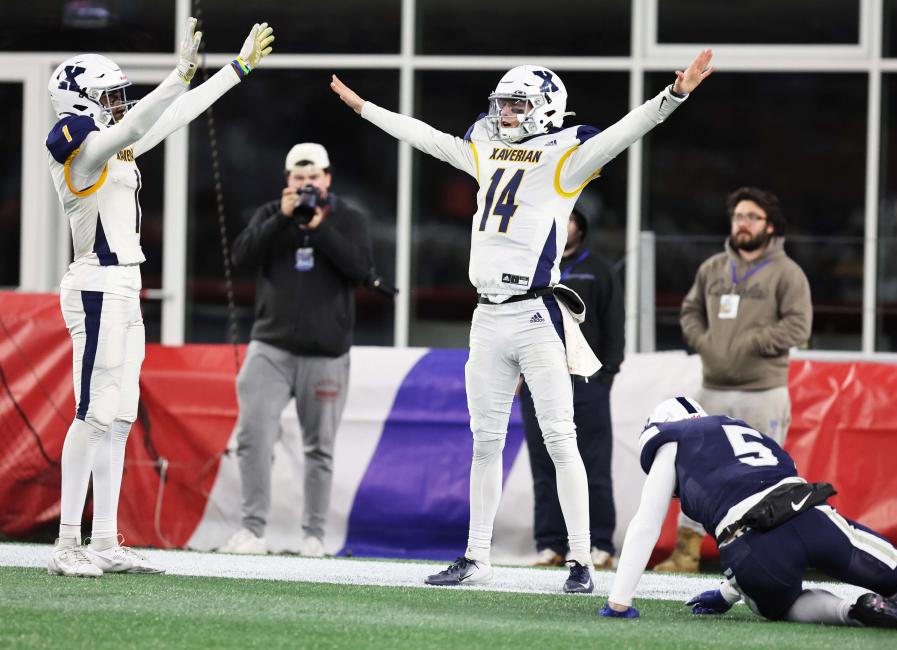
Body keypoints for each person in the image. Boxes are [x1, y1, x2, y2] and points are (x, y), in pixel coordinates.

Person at [330, 49, 714, 592]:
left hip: (536, 313)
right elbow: (427, 137)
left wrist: (672, 96)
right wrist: (366, 108)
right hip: (486, 316)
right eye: (503, 102)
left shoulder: (566, 154)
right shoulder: (486, 148)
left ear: (545, 107)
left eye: (517, 103)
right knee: (484, 442)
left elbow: (625, 132)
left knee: (561, 438)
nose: (505, 112)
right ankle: (476, 556)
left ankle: (580, 559)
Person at [45, 17, 275, 577]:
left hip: (125, 283)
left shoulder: (112, 145)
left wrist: (234, 71)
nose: (121, 104)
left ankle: (103, 540)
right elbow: (134, 126)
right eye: (110, 96)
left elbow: (173, 115)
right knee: (93, 411)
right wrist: (174, 75)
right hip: (96, 282)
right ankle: (66, 542)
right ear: (79, 101)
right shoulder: (81, 152)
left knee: (120, 416)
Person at [599, 396, 897, 632]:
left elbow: (647, 521)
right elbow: (769, 504)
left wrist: (619, 602)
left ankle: (851, 611)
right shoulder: (744, 430)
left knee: (783, 605)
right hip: (809, 515)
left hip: (752, 551)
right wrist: (726, 594)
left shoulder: (672, 439)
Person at [218, 142, 374, 557]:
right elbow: (241, 257)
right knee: (253, 437)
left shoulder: (349, 218)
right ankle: (252, 530)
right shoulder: (272, 214)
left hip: (326, 351)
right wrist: (284, 219)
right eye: (299, 179)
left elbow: (361, 270)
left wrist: (319, 229)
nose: (307, 185)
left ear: (327, 178)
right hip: (270, 345)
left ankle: (314, 536)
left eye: (313, 178)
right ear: (288, 181)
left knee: (319, 447)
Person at [656, 187, 812, 573]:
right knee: (694, 472)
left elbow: (799, 325)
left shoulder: (788, 273)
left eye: (752, 217)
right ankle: (686, 552)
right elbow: (690, 311)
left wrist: (754, 342)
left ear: (769, 225)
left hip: (763, 392)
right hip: (712, 388)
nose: (743, 224)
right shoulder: (712, 268)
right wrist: (704, 342)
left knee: (763, 477)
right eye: (738, 217)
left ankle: (759, 558)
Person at [519, 205, 624, 570]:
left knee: (594, 463)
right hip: (538, 380)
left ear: (580, 226)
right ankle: (550, 544)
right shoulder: (526, 265)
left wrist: (606, 374)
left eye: (567, 217)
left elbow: (614, 324)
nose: (560, 224)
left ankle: (601, 544)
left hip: (586, 382)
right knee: (543, 465)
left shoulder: (599, 271)